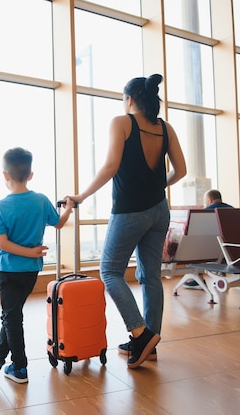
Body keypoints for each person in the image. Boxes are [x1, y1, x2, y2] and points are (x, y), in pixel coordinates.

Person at [68, 74, 187, 369]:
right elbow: (180, 171)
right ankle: (150, 343)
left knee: (109, 271)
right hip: (160, 210)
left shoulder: (122, 122)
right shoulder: (165, 128)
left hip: (129, 210)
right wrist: (157, 187)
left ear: (130, 99)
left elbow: (110, 166)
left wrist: (81, 196)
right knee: (150, 277)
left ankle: (140, 332)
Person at [0, 147, 74, 384]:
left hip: (7, 269)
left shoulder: (1, 206)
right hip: (30, 271)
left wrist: (26, 251)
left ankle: (19, 368)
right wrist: (68, 208)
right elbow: (58, 223)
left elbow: (3, 243)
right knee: (11, 315)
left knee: (12, 316)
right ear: (30, 175)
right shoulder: (40, 200)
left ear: (5, 175)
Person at [183, 189, 233, 289]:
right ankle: (221, 276)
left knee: (192, 245)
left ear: (209, 200)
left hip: (205, 251)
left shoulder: (204, 213)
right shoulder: (233, 210)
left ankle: (198, 280)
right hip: (227, 251)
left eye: (204, 200)